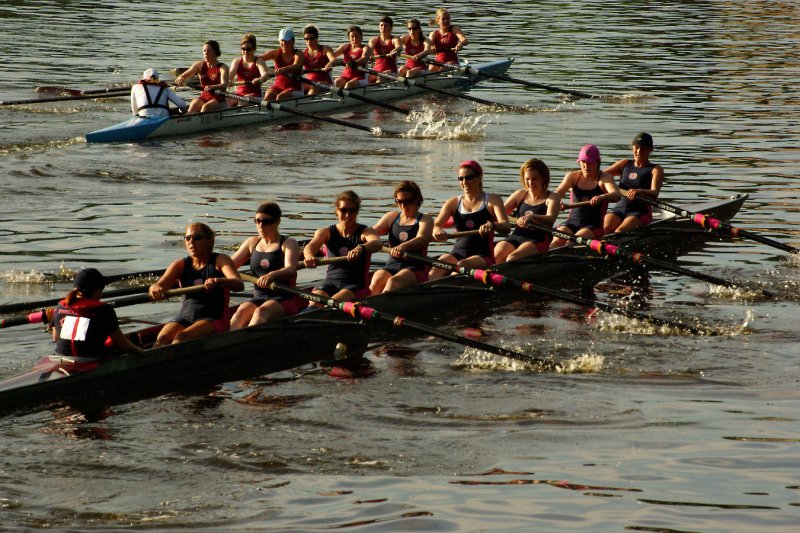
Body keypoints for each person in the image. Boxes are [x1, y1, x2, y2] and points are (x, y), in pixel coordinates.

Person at [148, 223, 244, 346]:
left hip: (214, 317)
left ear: (209, 241)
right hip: (185, 316)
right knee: (162, 339)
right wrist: (155, 289)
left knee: (180, 338)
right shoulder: (180, 265)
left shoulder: (220, 260)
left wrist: (220, 280)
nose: (191, 242)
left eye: (197, 237)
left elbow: (239, 284)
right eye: (187, 238)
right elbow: (157, 285)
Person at [429, 160, 511, 280]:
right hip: (457, 253)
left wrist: (493, 225)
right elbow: (436, 225)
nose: (464, 182)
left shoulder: (493, 200)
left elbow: (506, 227)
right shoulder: (453, 203)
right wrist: (437, 231)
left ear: (479, 177)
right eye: (461, 178)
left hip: (483, 256)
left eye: (469, 178)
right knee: (438, 265)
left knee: (462, 265)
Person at [229, 202, 305, 329]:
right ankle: (228, 342)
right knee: (240, 313)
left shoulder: (288, 243)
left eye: (266, 221)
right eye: (257, 221)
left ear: (276, 222)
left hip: (284, 297)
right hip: (259, 297)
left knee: (260, 312)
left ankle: (244, 342)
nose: (260, 225)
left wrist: (272, 275)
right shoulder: (252, 242)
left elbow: (291, 269)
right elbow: (229, 266)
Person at [303, 191, 381, 303]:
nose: (347, 215)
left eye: (352, 211)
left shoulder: (365, 232)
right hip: (330, 282)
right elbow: (310, 247)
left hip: (355, 285)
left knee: (333, 302)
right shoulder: (325, 232)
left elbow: (377, 243)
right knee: (314, 301)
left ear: (357, 212)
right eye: (343, 210)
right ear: (336, 210)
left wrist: (361, 248)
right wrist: (309, 256)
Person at [51, 268, 144, 357]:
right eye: (101, 289)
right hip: (90, 361)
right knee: (133, 340)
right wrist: (139, 351)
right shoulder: (104, 309)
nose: (102, 294)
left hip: (62, 358)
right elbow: (122, 345)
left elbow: (55, 337)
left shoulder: (60, 306)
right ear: (95, 291)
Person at [550, 145, 621, 248]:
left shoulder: (605, 178)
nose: (586, 166)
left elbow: (617, 195)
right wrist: (556, 202)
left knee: (570, 244)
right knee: (556, 241)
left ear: (597, 162)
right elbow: (558, 192)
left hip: (592, 227)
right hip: (571, 223)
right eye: (583, 162)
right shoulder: (573, 176)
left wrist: (602, 197)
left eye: (590, 163)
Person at [370, 181, 434, 294]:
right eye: (399, 201)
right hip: (392, 265)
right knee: (377, 279)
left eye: (407, 201)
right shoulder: (391, 217)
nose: (403, 205)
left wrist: (403, 246)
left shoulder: (425, 219)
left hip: (415, 268)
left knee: (393, 282)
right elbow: (370, 233)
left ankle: (380, 305)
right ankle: (367, 308)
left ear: (416, 200)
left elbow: (423, 238)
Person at [494, 158, 560, 263]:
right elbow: (500, 213)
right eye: (527, 179)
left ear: (543, 178)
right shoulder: (520, 195)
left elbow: (551, 219)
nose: (530, 183)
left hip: (538, 240)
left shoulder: (552, 197)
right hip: (516, 236)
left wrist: (532, 217)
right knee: (497, 256)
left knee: (512, 259)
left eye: (534, 179)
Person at [603, 132, 665, 233]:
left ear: (650, 149)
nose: (639, 151)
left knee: (620, 231)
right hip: (619, 209)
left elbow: (655, 193)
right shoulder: (624, 164)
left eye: (643, 148)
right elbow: (600, 176)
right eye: (636, 147)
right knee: (605, 230)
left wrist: (639, 191)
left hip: (640, 212)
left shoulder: (655, 169)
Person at [174, 40, 230, 113]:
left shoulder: (223, 67)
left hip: (219, 97)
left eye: (209, 51)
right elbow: (186, 74)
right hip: (205, 95)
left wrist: (212, 87)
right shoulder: (199, 65)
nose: (206, 53)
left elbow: (224, 85)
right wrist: (180, 78)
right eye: (204, 51)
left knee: (205, 107)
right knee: (193, 104)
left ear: (216, 53)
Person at [260, 28, 305, 101]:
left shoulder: (299, 54)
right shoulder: (275, 53)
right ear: (279, 41)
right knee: (268, 95)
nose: (284, 43)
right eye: (282, 40)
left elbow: (297, 65)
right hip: (278, 86)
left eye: (287, 41)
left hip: (295, 87)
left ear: (293, 41)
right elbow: (259, 59)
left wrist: (284, 69)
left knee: (280, 97)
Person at [228, 33, 270, 106]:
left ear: (254, 49)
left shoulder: (259, 61)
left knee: (242, 102)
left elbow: (265, 75)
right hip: (239, 94)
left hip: (255, 95)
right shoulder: (237, 61)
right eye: (243, 49)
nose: (245, 52)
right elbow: (230, 76)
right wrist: (226, 81)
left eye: (248, 49)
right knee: (227, 101)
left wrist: (260, 79)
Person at [301, 25, 336, 94]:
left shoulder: (325, 49)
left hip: (325, 83)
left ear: (317, 38)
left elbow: (333, 59)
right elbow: (296, 65)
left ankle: (307, 101)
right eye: (306, 39)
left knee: (314, 86)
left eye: (311, 39)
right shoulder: (303, 53)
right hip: (309, 82)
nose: (309, 42)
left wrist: (329, 64)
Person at [368, 16, 402, 83]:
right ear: (379, 27)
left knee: (380, 77)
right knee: (367, 79)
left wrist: (395, 50)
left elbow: (399, 47)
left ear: (391, 28)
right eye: (381, 25)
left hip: (391, 71)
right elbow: (369, 50)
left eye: (386, 26)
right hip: (376, 70)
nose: (383, 27)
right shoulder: (374, 40)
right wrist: (369, 55)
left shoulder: (394, 39)